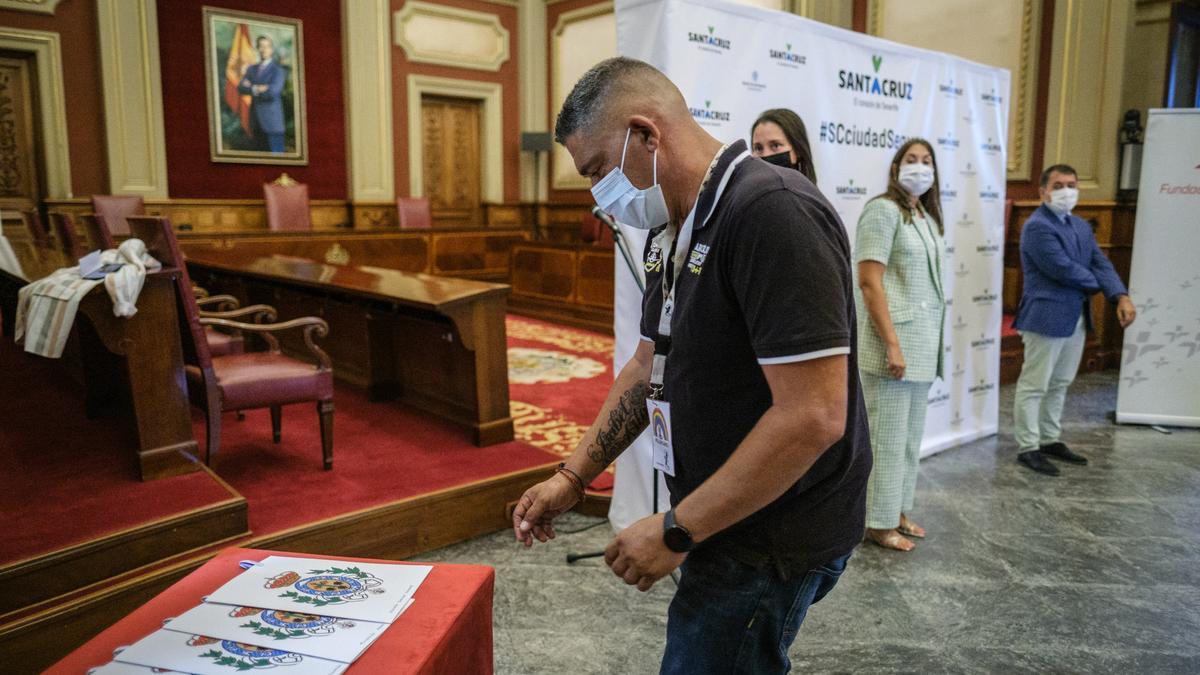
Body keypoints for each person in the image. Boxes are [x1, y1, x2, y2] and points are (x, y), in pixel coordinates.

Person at [511, 57, 871, 674]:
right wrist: (572, 478)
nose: (601, 195)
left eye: (599, 170)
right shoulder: (675, 223)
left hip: (767, 536)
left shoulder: (771, 212)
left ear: (647, 135)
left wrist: (678, 529)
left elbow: (813, 416)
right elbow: (649, 361)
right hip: (721, 517)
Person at [1012, 164, 1136, 475]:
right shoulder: (1037, 226)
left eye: (1071, 184)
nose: (1066, 191)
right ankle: (1028, 445)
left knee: (1060, 382)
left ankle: (1049, 438)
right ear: (1043, 192)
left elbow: (1099, 262)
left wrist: (1120, 294)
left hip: (1077, 316)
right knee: (1035, 384)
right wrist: (1101, 286)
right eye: (1058, 185)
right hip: (1045, 317)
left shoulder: (1080, 226)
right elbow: (1063, 269)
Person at [854, 138, 946, 552]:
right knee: (885, 440)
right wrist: (892, 344)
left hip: (923, 346)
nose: (920, 167)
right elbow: (870, 282)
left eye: (927, 161)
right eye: (912, 160)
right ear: (895, 168)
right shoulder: (882, 210)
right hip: (891, 347)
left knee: (909, 440)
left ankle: (897, 510)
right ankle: (876, 520)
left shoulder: (924, 215)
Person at [238, 35, 287, 153]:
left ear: (272, 50)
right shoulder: (251, 69)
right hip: (255, 123)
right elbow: (241, 88)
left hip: (272, 125)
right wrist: (258, 88)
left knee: (277, 163)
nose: (264, 50)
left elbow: (272, 93)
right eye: (261, 46)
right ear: (257, 49)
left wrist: (251, 87)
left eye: (267, 47)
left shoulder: (278, 70)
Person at [750, 108, 818, 185]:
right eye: (758, 148)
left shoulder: (807, 196)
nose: (766, 154)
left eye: (775, 146)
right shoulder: (743, 194)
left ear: (797, 150)